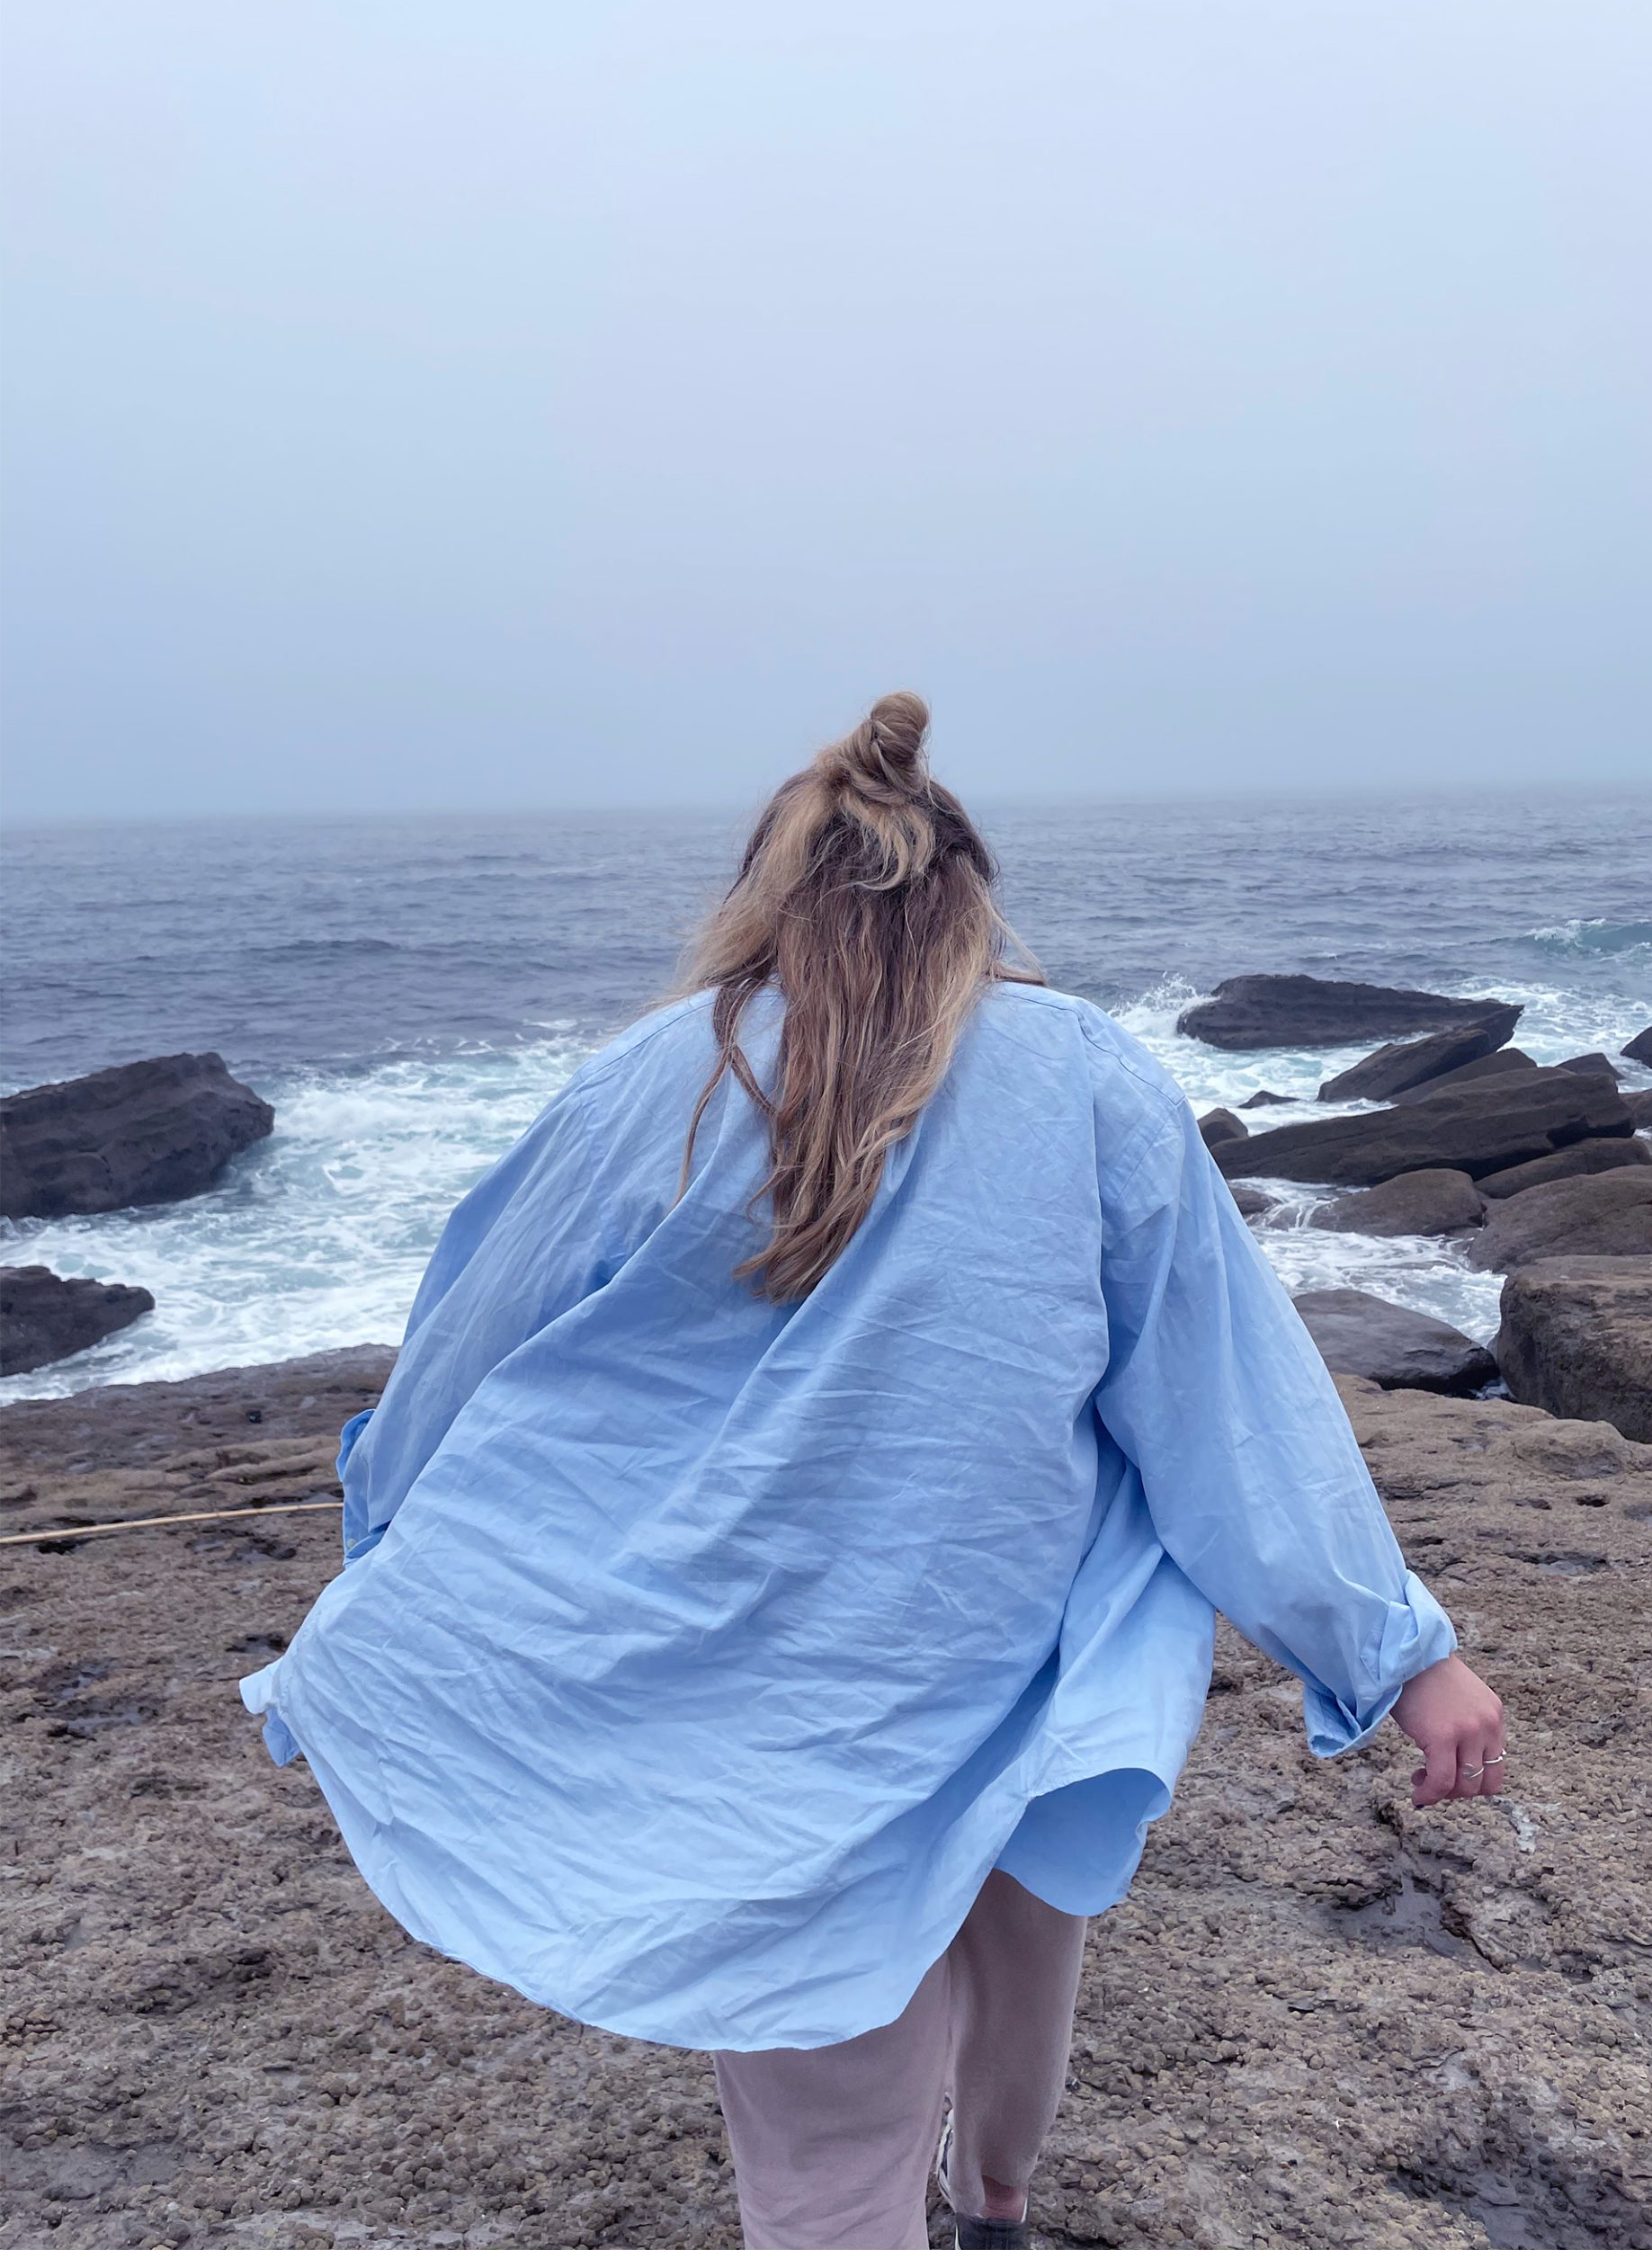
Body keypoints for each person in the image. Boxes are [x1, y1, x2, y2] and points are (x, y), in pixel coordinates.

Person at [239, 693, 1505, 2249]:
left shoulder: (655, 1080)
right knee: (1022, 1967)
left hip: (763, 1702)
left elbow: (467, 1348)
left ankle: (966, 2204)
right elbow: (1227, 1399)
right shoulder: (1090, 1079)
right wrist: (1401, 1652)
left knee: (828, 2162)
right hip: (1021, 1655)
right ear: (968, 894)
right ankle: (998, 2206)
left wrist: (387, 1546)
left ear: (764, 896)